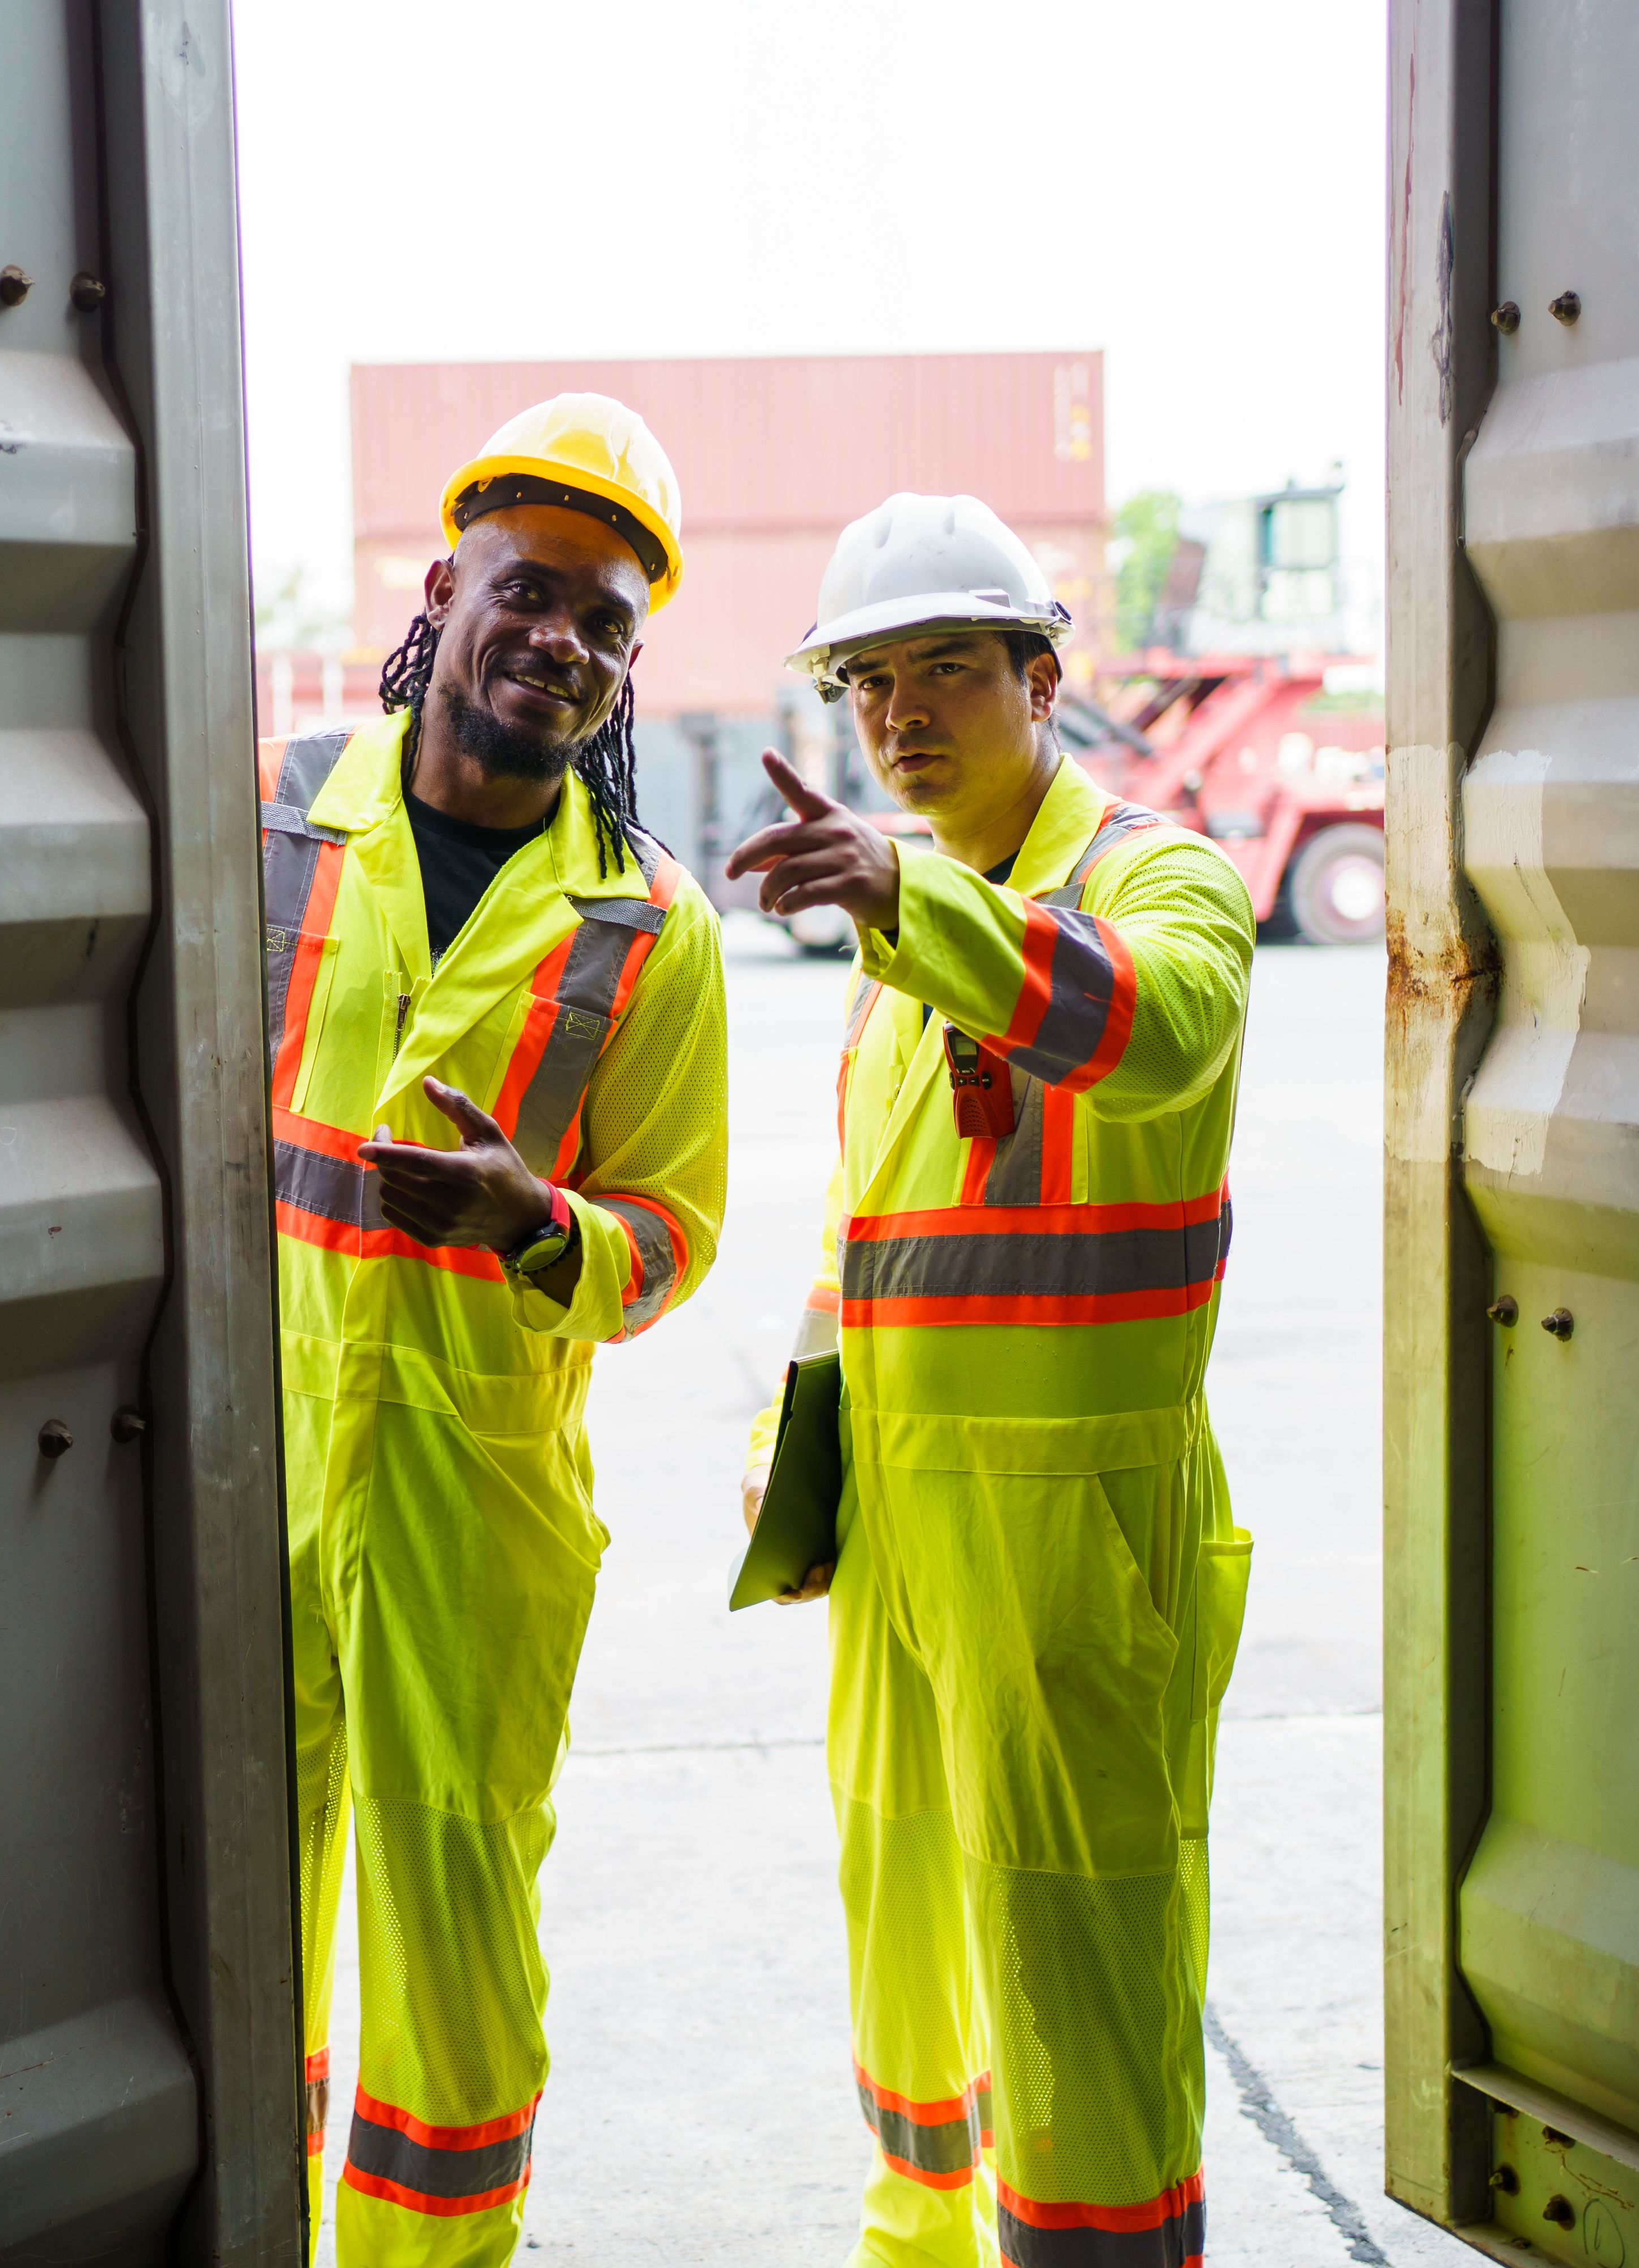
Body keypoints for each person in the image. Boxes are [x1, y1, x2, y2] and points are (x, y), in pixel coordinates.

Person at [724, 494, 1254, 2268]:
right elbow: (869, 1234)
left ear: (1043, 677)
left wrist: (912, 897)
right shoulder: (904, 946)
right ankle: (920, 2240)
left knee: (1075, 1959)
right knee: (911, 1933)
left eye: (947, 667)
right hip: (903, 1541)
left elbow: (1162, 1032)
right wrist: (794, 1448)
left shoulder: (1153, 878)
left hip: (1074, 1538)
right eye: (868, 682)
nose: (901, 714)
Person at [264, 394, 730, 2263]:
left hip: (481, 1510)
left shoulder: (644, 929)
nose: (565, 641)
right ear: (445, 584)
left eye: (610, 622)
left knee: (459, 1966)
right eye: (533, 589)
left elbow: (676, 1235)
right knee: (237, 1917)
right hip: (251, 1475)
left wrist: (548, 1229)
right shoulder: (276, 819)